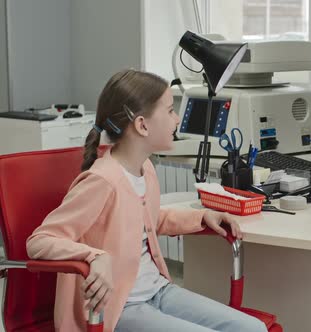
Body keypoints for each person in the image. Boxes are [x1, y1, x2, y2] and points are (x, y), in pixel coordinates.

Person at [26, 69, 267, 332]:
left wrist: (201, 217)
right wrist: (94, 257)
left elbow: (146, 220)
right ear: (142, 125)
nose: (177, 119)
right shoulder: (101, 181)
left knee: (253, 328)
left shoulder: (146, 169)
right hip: (120, 307)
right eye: (169, 110)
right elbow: (40, 241)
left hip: (158, 290)